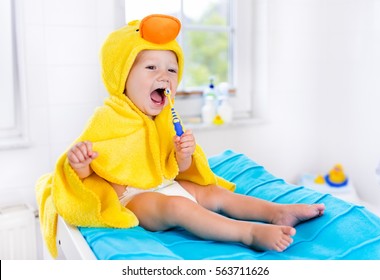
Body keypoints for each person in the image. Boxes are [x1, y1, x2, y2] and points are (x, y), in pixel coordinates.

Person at [66, 14, 325, 252]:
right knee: (179, 206)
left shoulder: (166, 117)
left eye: (171, 69)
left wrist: (184, 155)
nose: (164, 76)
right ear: (122, 76)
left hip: (167, 184)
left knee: (213, 193)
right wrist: (81, 164)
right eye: (151, 68)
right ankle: (248, 233)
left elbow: (177, 169)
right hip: (134, 198)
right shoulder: (110, 118)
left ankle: (277, 212)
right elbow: (91, 175)